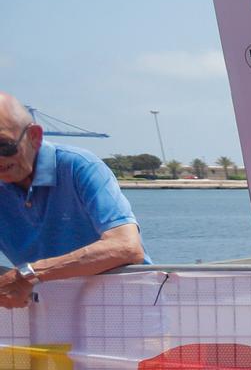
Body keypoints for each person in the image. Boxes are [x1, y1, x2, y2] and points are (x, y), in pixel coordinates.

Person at [0, 91, 145, 309]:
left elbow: (126, 247)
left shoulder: (80, 167)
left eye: (4, 147)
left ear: (35, 137)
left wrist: (27, 275)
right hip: (53, 314)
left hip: (127, 311)